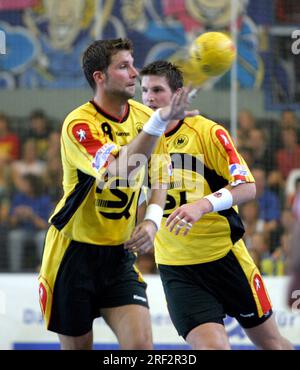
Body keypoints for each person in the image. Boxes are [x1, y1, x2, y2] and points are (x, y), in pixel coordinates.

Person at [38, 39, 197, 350]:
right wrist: (158, 122)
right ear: (100, 77)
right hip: (73, 254)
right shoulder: (80, 125)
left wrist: (152, 221)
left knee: (140, 347)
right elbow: (118, 172)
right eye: (124, 66)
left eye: (133, 64)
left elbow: (160, 174)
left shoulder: (144, 117)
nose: (135, 73)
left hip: (119, 255)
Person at [126, 60, 293, 350]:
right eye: (144, 90)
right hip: (178, 269)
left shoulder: (206, 132)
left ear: (178, 94)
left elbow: (247, 186)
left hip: (225, 259)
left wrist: (202, 205)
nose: (149, 98)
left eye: (157, 90)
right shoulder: (136, 138)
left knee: (272, 344)